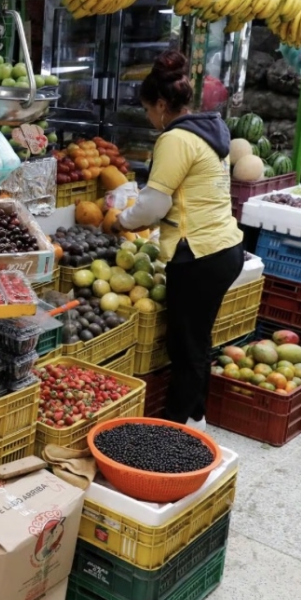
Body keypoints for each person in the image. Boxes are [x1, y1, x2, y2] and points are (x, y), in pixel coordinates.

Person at [116, 51, 244, 429]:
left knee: (186, 347)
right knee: (197, 342)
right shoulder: (210, 130)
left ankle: (174, 428)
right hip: (224, 248)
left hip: (199, 254)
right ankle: (194, 420)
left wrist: (120, 222)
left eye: (147, 111)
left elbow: (154, 204)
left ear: (160, 104)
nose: (149, 119)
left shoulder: (175, 139)